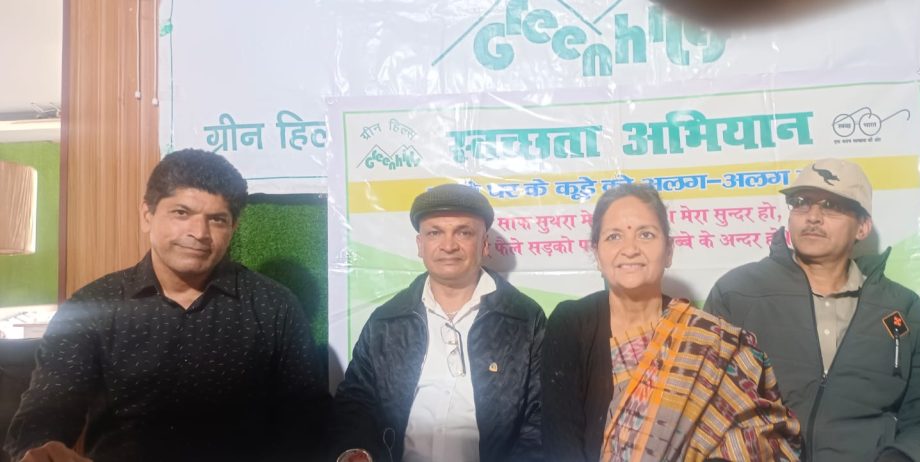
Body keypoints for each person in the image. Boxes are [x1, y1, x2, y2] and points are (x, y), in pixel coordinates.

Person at [4, 149, 328, 462]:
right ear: (147, 215)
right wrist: (40, 451)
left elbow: (307, 419)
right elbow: (46, 409)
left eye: (217, 219)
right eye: (181, 213)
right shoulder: (92, 306)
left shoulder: (274, 306)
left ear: (233, 228)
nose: (199, 233)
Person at [704, 158, 920, 462]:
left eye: (831, 206)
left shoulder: (904, 310)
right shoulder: (738, 293)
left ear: (862, 227)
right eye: (801, 202)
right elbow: (704, 401)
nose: (813, 217)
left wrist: (903, 458)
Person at [542, 183, 801, 462]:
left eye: (646, 234)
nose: (630, 249)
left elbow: (758, 440)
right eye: (614, 236)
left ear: (669, 251)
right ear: (596, 253)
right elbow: (561, 444)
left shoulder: (706, 340)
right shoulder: (571, 323)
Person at [328, 183, 545, 462]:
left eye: (464, 232)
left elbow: (538, 420)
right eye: (435, 233)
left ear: (484, 244)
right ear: (421, 245)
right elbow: (356, 403)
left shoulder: (525, 320)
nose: (449, 245)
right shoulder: (386, 321)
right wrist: (357, 451)